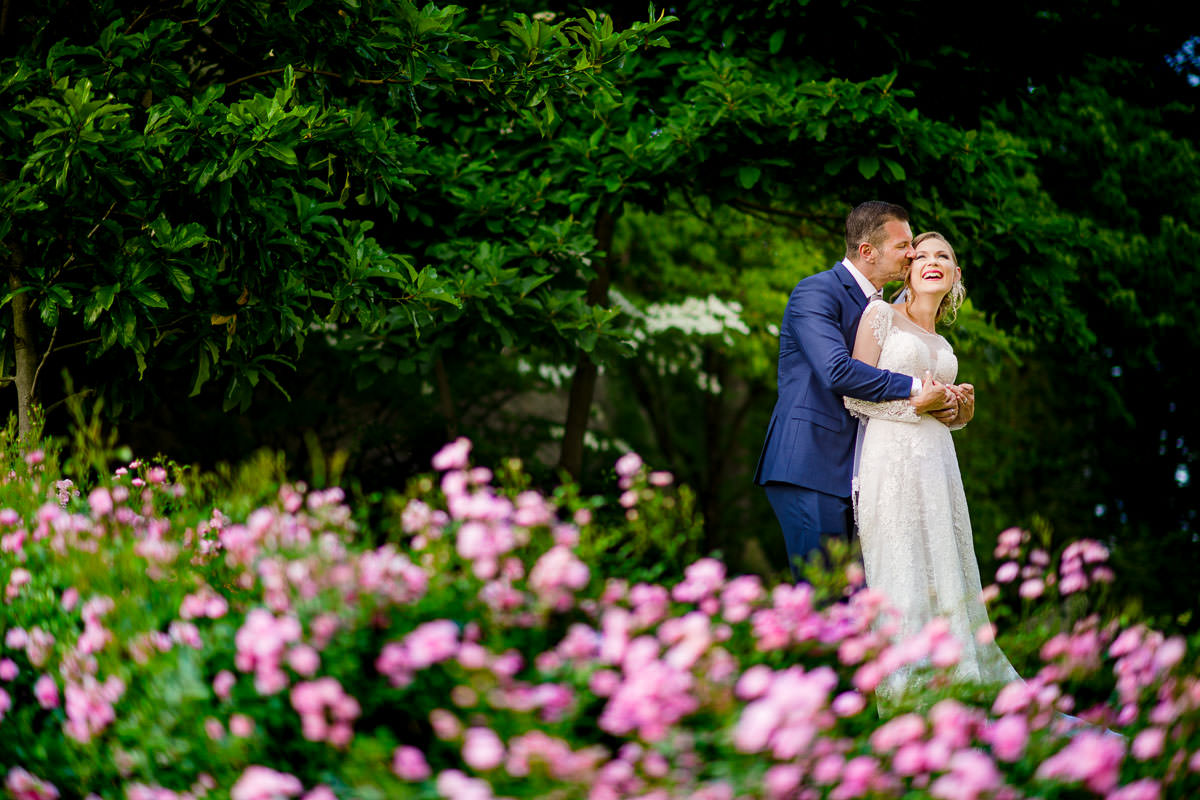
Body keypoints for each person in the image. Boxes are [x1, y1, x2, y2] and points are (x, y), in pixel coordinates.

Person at [845, 231, 1017, 700]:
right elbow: (854, 395)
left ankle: (959, 686)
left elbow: (943, 413)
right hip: (890, 461)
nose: (932, 262)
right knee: (902, 571)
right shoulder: (880, 315)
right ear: (908, 271)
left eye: (944, 256)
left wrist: (960, 413)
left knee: (946, 567)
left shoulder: (941, 341)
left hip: (938, 466)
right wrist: (918, 404)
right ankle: (908, 698)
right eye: (921, 256)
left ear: (956, 275)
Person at [754, 202, 965, 579]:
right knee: (823, 597)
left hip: (867, 473)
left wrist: (952, 404)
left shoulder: (887, 308)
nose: (913, 253)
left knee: (859, 603)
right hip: (810, 464)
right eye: (903, 246)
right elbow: (837, 371)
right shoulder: (817, 292)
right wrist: (918, 388)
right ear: (868, 251)